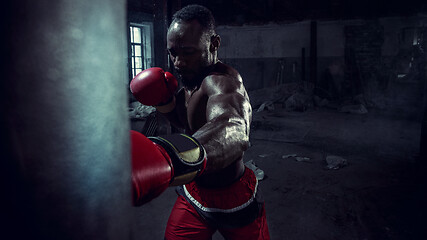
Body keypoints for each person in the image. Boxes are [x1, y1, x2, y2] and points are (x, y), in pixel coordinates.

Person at [130, 4, 270, 240]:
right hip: (194, 194)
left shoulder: (222, 82)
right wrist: (164, 102)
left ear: (214, 44)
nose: (178, 62)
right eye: (172, 52)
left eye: (188, 52)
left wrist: (170, 156)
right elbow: (185, 122)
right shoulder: (190, 79)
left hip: (233, 196)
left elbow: (233, 128)